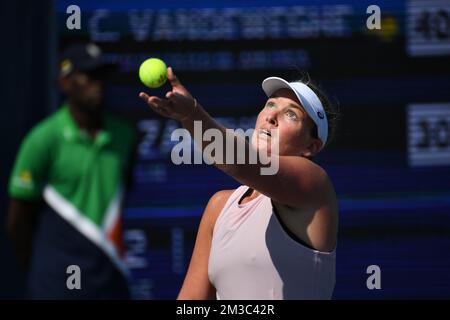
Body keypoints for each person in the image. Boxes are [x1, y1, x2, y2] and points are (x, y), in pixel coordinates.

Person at [139, 68, 339, 300]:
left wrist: (191, 114)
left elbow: (240, 162)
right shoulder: (218, 206)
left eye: (291, 115)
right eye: (271, 104)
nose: (271, 116)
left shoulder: (315, 185)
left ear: (311, 147)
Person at [7, 43, 136, 299]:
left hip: (111, 279)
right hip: (56, 284)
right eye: (88, 76)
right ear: (65, 83)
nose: (97, 84)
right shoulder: (43, 140)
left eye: (101, 76)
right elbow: (18, 222)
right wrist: (44, 268)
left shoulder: (125, 135)